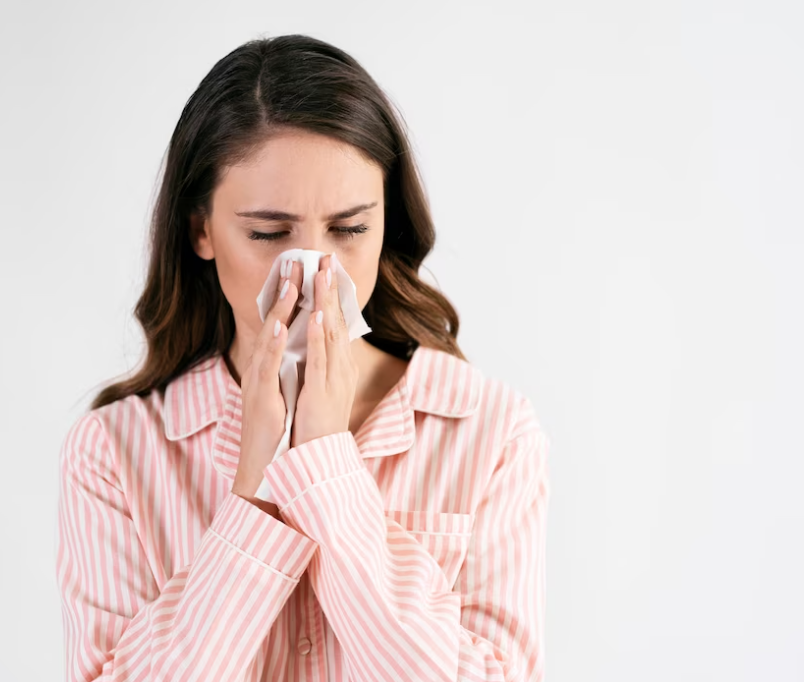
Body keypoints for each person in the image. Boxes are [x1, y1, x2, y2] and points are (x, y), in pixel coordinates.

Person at [55, 33, 551, 682]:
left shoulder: (490, 433)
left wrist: (327, 469)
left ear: (386, 224)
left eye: (349, 229)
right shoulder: (113, 454)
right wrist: (254, 492)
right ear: (200, 229)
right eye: (267, 233)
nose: (317, 271)